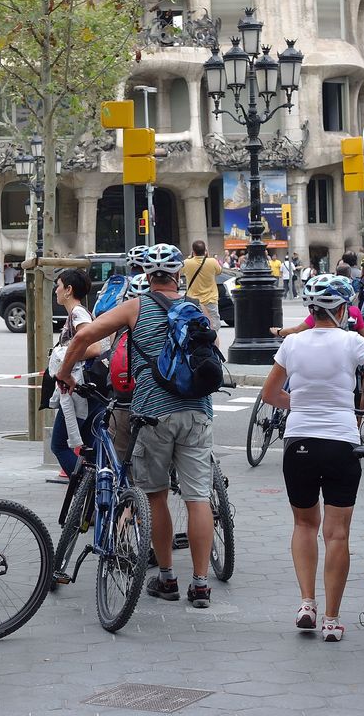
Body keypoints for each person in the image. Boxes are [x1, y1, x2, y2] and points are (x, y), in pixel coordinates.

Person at [261, 274, 364, 642]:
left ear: (310, 310)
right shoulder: (352, 340)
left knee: (304, 525)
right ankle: (333, 620)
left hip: (299, 444)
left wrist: (302, 406)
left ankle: (307, 603)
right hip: (340, 443)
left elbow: (270, 394)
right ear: (341, 309)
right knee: (336, 535)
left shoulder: (291, 344)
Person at [57, 243, 217, 608]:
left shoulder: (135, 306)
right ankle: (201, 584)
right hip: (197, 412)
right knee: (197, 498)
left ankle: (167, 578)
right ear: (179, 273)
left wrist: (64, 373)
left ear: (146, 275)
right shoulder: (197, 309)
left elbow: (84, 336)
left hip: (152, 413)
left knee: (155, 495)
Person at [48, 269, 107, 476]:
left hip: (79, 388)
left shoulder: (78, 313)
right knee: (90, 446)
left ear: (68, 290)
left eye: (58, 285)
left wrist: (65, 358)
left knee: (59, 445)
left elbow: (93, 347)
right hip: (89, 389)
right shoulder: (78, 313)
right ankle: (99, 489)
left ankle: (85, 486)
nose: (56, 290)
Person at [182, 240, 222, 333]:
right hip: (210, 300)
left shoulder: (187, 263)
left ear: (193, 251)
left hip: (193, 301)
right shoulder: (213, 262)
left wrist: (190, 257)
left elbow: (180, 271)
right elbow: (219, 271)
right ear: (205, 251)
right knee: (213, 328)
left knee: (194, 328)